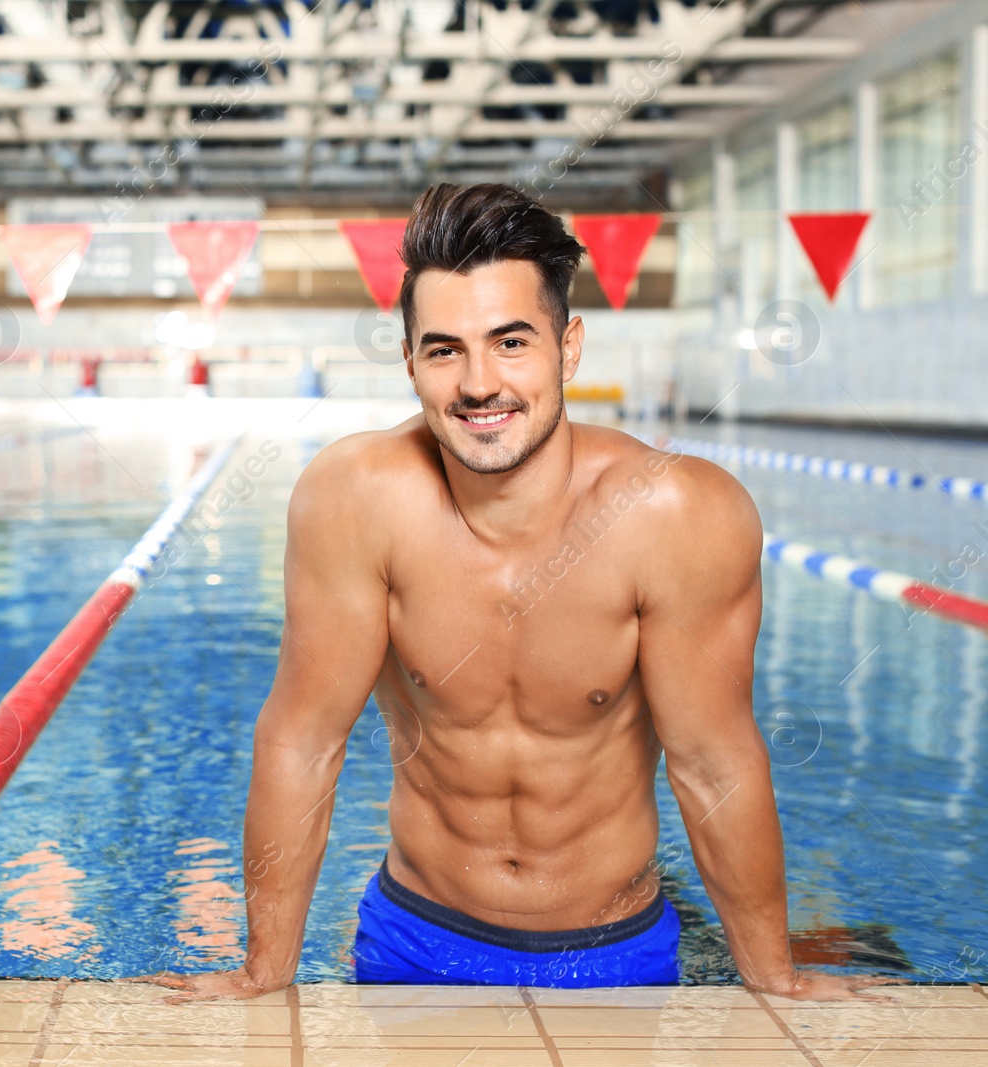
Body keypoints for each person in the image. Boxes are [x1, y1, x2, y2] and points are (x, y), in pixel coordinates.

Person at [142, 184, 896, 1000]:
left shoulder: (675, 515)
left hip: (615, 949)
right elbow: (303, 739)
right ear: (409, 362)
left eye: (510, 343)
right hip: (416, 936)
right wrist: (265, 969)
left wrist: (774, 973)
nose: (478, 383)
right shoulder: (355, 499)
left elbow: (713, 764)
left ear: (567, 348)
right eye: (443, 350)